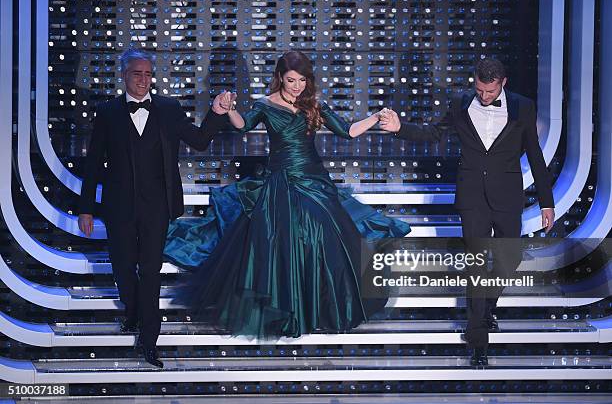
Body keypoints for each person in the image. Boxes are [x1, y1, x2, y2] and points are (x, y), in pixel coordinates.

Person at [164, 51, 411, 339]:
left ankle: (319, 308)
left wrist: (374, 117)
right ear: (280, 77)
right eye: (291, 80)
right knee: (283, 241)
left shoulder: (313, 105)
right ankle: (289, 312)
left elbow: (347, 131)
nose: (296, 86)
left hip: (314, 180)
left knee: (325, 234)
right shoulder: (266, 105)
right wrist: (228, 109)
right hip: (280, 181)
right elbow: (242, 124)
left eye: (302, 80)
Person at [378, 58, 555, 366]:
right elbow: (433, 133)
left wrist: (546, 201)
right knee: (476, 265)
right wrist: (399, 128)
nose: (484, 96)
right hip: (472, 195)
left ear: (503, 83)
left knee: (509, 258)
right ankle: (478, 340)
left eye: (490, 91)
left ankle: (486, 308)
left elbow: (536, 155)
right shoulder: (460, 102)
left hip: (507, 196)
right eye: (479, 90)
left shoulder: (522, 107)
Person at [78, 48, 228, 368]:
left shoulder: (169, 109)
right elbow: (92, 164)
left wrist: (216, 113)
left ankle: (149, 341)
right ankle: (133, 313)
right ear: (124, 75)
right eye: (137, 73)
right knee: (122, 269)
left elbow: (200, 140)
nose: (143, 80)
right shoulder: (107, 112)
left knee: (150, 273)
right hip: (118, 206)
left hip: (157, 206)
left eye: (148, 74)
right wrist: (86, 208)